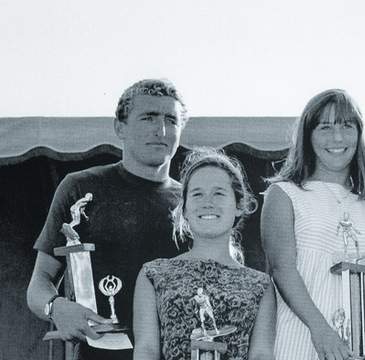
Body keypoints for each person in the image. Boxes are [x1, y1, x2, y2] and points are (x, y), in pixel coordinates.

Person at [26, 78, 189, 360]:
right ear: (120, 128)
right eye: (147, 117)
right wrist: (56, 307)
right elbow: (39, 283)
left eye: (170, 120)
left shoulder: (193, 201)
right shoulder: (80, 188)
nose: (160, 130)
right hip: (100, 353)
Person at [261, 89, 365, 360]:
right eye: (325, 127)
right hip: (303, 341)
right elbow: (282, 270)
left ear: (360, 135)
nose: (337, 137)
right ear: (308, 135)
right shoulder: (284, 195)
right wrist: (322, 331)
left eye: (346, 126)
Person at [133, 148, 275, 360]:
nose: (207, 202)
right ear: (185, 209)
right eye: (197, 194)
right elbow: (146, 350)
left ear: (238, 205)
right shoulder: (153, 274)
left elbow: (262, 355)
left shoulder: (260, 285)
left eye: (218, 193)